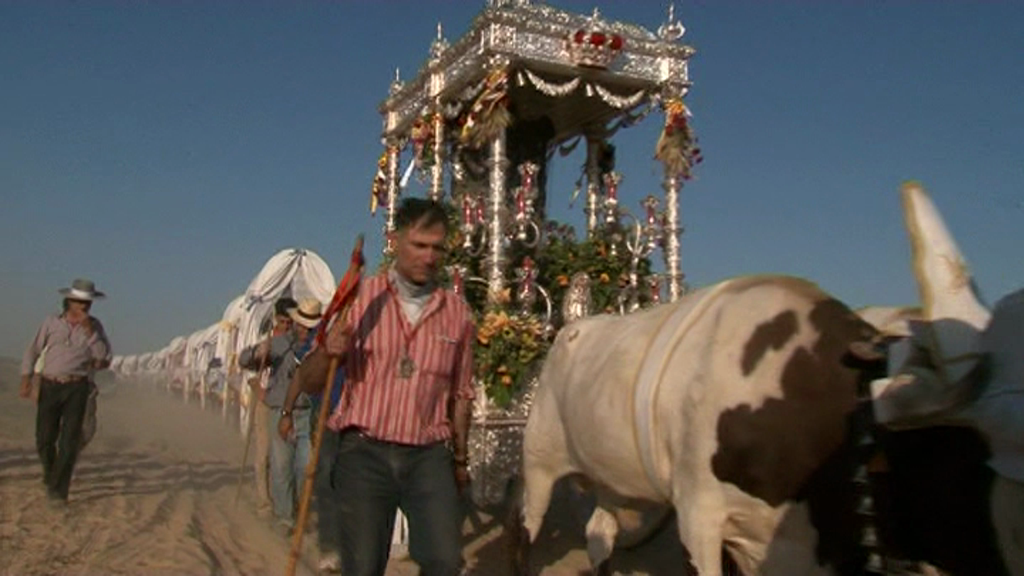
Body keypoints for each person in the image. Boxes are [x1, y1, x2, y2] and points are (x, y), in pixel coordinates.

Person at [324, 198, 475, 576]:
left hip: (428, 457)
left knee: (444, 561)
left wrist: (459, 460)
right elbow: (313, 379)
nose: (429, 256)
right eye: (419, 245)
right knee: (362, 566)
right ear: (395, 241)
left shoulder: (457, 314)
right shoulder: (360, 299)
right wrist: (329, 352)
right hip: (364, 453)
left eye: (437, 247)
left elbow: (461, 394)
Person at [19, 278, 112, 505]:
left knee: (69, 441)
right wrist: (26, 378)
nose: (84, 306)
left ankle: (59, 492)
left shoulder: (95, 327)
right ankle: (51, 476)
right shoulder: (52, 322)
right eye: (80, 302)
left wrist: (89, 331)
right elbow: (33, 350)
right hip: (50, 385)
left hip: (77, 387)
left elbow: (104, 358)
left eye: (87, 302)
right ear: (69, 301)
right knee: (44, 439)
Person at [239, 297, 319, 533]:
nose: (304, 329)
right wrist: (257, 351)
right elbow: (244, 360)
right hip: (277, 408)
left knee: (304, 467)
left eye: (310, 326)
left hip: (305, 412)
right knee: (280, 464)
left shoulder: (318, 347)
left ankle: (295, 506)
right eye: (301, 324)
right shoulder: (279, 343)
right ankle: (283, 516)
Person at [279, 325, 345, 573]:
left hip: (360, 420)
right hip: (328, 415)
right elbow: (301, 376)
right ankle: (330, 546)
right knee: (325, 477)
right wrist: (287, 412)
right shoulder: (322, 335)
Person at [249, 297, 298, 517]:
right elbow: (250, 373)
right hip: (264, 401)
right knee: (265, 453)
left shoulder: (296, 343)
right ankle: (263, 502)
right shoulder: (264, 340)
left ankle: (287, 503)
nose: (286, 325)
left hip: (287, 402)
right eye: (283, 321)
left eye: (290, 321)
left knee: (287, 455)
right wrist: (258, 389)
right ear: (276, 319)